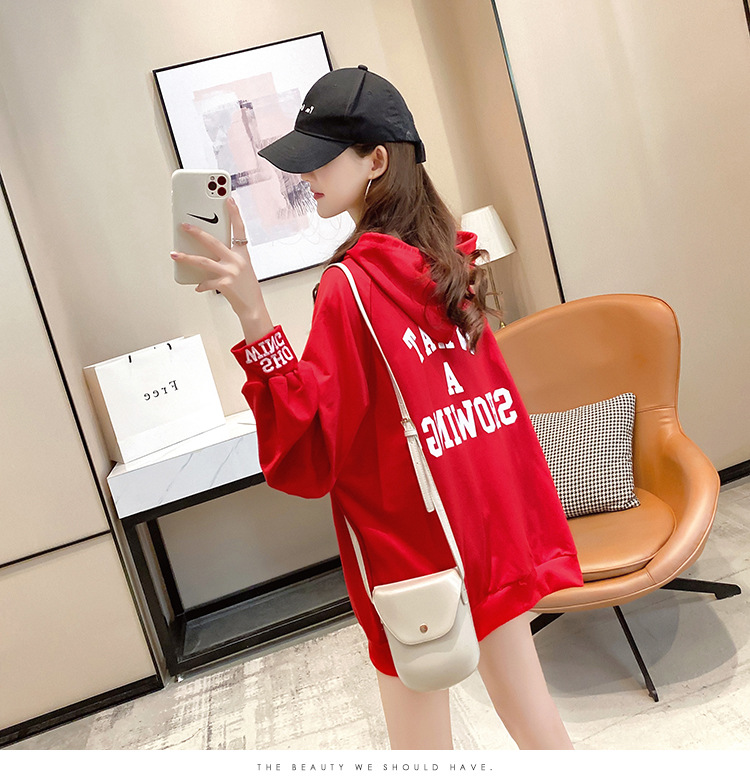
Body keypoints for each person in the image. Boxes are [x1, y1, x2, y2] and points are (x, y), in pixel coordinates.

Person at [171, 65, 583, 750]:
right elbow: (492, 409)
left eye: (321, 156)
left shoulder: (350, 288)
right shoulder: (448, 264)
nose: (305, 174)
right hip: (487, 523)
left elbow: (309, 454)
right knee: (534, 716)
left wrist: (252, 312)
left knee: (421, 748)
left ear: (377, 160)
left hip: (413, 548)